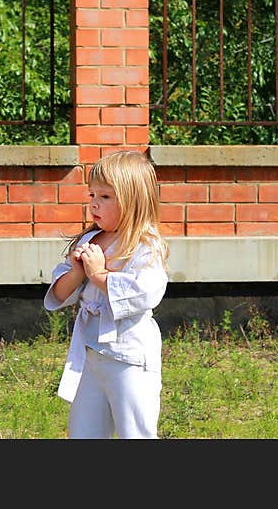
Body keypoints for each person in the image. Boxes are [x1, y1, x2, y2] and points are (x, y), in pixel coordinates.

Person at [44, 150, 170, 438]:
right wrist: (78, 271)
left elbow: (146, 292)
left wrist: (99, 275)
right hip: (90, 355)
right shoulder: (91, 239)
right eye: (92, 195)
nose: (93, 204)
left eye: (105, 197)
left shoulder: (145, 245)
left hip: (129, 357)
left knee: (134, 431)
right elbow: (59, 294)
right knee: (84, 430)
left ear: (132, 200)